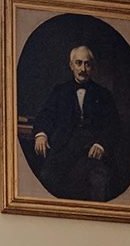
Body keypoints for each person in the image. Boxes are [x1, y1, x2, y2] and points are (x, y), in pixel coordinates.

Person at [30, 44, 122, 202]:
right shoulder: (60, 91)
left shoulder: (103, 94)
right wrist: (41, 135)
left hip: (92, 151)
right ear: (71, 65)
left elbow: (114, 125)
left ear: (92, 67)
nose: (83, 69)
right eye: (78, 63)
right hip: (65, 148)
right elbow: (45, 115)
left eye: (87, 64)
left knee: (100, 181)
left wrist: (101, 144)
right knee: (47, 177)